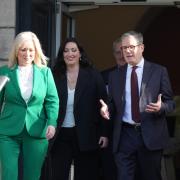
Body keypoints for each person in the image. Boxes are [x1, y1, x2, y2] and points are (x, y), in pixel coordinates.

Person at [100, 30, 175, 180]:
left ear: (141, 48)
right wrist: (107, 109)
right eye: (124, 48)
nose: (127, 51)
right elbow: (113, 104)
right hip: (125, 135)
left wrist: (161, 108)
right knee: (124, 176)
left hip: (150, 133)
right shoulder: (115, 76)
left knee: (150, 176)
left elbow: (170, 103)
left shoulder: (159, 71)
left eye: (131, 47)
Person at [0, 31, 59, 180]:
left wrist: (52, 122)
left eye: (31, 50)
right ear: (16, 51)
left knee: (32, 176)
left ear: (36, 51)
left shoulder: (45, 73)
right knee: (9, 174)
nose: (27, 54)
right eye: (23, 49)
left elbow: (52, 100)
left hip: (37, 130)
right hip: (8, 131)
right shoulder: (5, 72)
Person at [47, 37, 108, 180]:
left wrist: (104, 133)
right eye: (66, 51)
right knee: (58, 175)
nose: (70, 54)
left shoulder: (93, 75)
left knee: (86, 175)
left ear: (80, 54)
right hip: (60, 134)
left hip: (87, 133)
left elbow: (104, 105)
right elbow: (47, 103)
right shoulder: (54, 75)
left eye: (74, 50)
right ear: (62, 55)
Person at [99, 37, 126, 180]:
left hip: (131, 133)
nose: (121, 55)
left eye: (123, 51)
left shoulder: (140, 76)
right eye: (117, 52)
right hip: (110, 132)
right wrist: (104, 133)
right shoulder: (104, 76)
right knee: (110, 172)